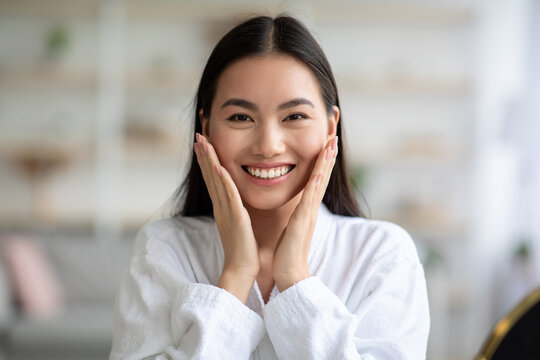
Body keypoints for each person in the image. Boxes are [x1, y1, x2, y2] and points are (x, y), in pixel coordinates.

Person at [110, 15, 430, 360]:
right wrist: (235, 276)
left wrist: (294, 278)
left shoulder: (382, 254)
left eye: (294, 117)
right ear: (205, 126)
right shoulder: (165, 248)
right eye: (240, 117)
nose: (268, 145)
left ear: (330, 126)